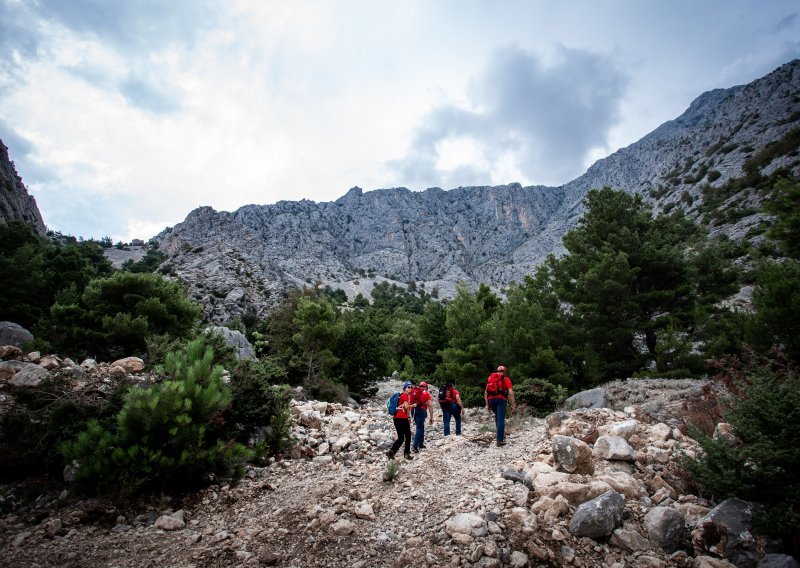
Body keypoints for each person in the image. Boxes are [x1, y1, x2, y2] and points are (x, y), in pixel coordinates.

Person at [485, 365, 516, 446]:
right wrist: (513, 405)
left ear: (497, 371)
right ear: (504, 372)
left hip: (491, 400)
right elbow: (511, 393)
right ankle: (500, 440)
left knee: (497, 417)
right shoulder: (506, 379)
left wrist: (487, 404)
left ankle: (501, 435)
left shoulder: (491, 379)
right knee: (501, 419)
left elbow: (486, 393)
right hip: (501, 400)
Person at [387, 381, 415, 460]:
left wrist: (408, 417)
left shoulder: (401, 395)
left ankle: (391, 452)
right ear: (405, 388)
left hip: (396, 418)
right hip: (402, 419)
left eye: (411, 387)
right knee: (408, 436)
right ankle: (406, 454)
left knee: (401, 438)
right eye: (408, 387)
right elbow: (406, 407)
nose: (410, 388)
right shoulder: (405, 395)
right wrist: (413, 405)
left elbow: (404, 408)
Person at [411, 381, 434, 453]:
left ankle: (421, 444)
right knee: (419, 427)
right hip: (421, 411)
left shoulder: (414, 392)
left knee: (421, 426)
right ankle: (415, 446)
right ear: (426, 387)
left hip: (414, 411)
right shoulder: (426, 393)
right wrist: (431, 417)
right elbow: (430, 405)